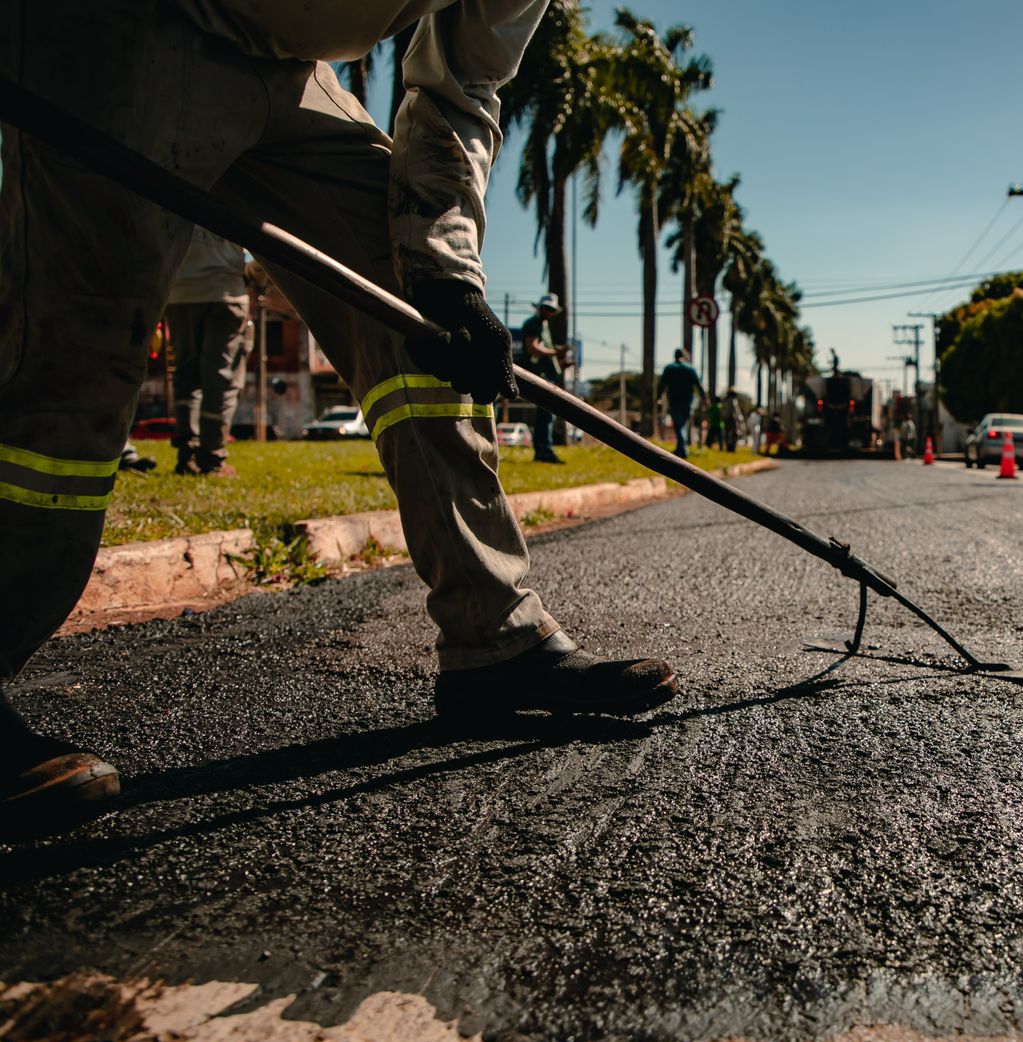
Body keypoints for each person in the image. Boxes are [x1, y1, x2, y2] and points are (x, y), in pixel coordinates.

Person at [1, 0, 678, 835]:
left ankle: (494, 642)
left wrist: (445, 269)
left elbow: (461, 83)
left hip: (293, 70)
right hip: (125, 24)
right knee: (77, 353)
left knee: (419, 325)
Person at [166, 231, 254, 476]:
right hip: (225, 292)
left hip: (180, 293)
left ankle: (187, 453)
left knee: (185, 375)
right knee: (221, 378)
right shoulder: (236, 194)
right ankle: (211, 457)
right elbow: (262, 255)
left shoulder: (176, 193)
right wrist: (253, 278)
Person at [517, 294, 573, 464]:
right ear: (541, 308)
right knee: (545, 415)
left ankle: (544, 449)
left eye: (552, 310)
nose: (549, 312)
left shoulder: (544, 325)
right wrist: (555, 352)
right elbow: (533, 348)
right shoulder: (533, 323)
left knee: (547, 415)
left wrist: (560, 360)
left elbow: (545, 350)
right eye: (547, 308)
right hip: (540, 375)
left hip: (548, 374)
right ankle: (543, 451)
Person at [659, 348, 705, 459]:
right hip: (688, 402)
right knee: (683, 424)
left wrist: (658, 397)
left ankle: (683, 449)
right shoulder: (690, 368)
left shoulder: (669, 368)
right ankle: (681, 448)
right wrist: (705, 399)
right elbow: (698, 385)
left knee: (679, 425)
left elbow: (662, 385)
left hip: (675, 400)